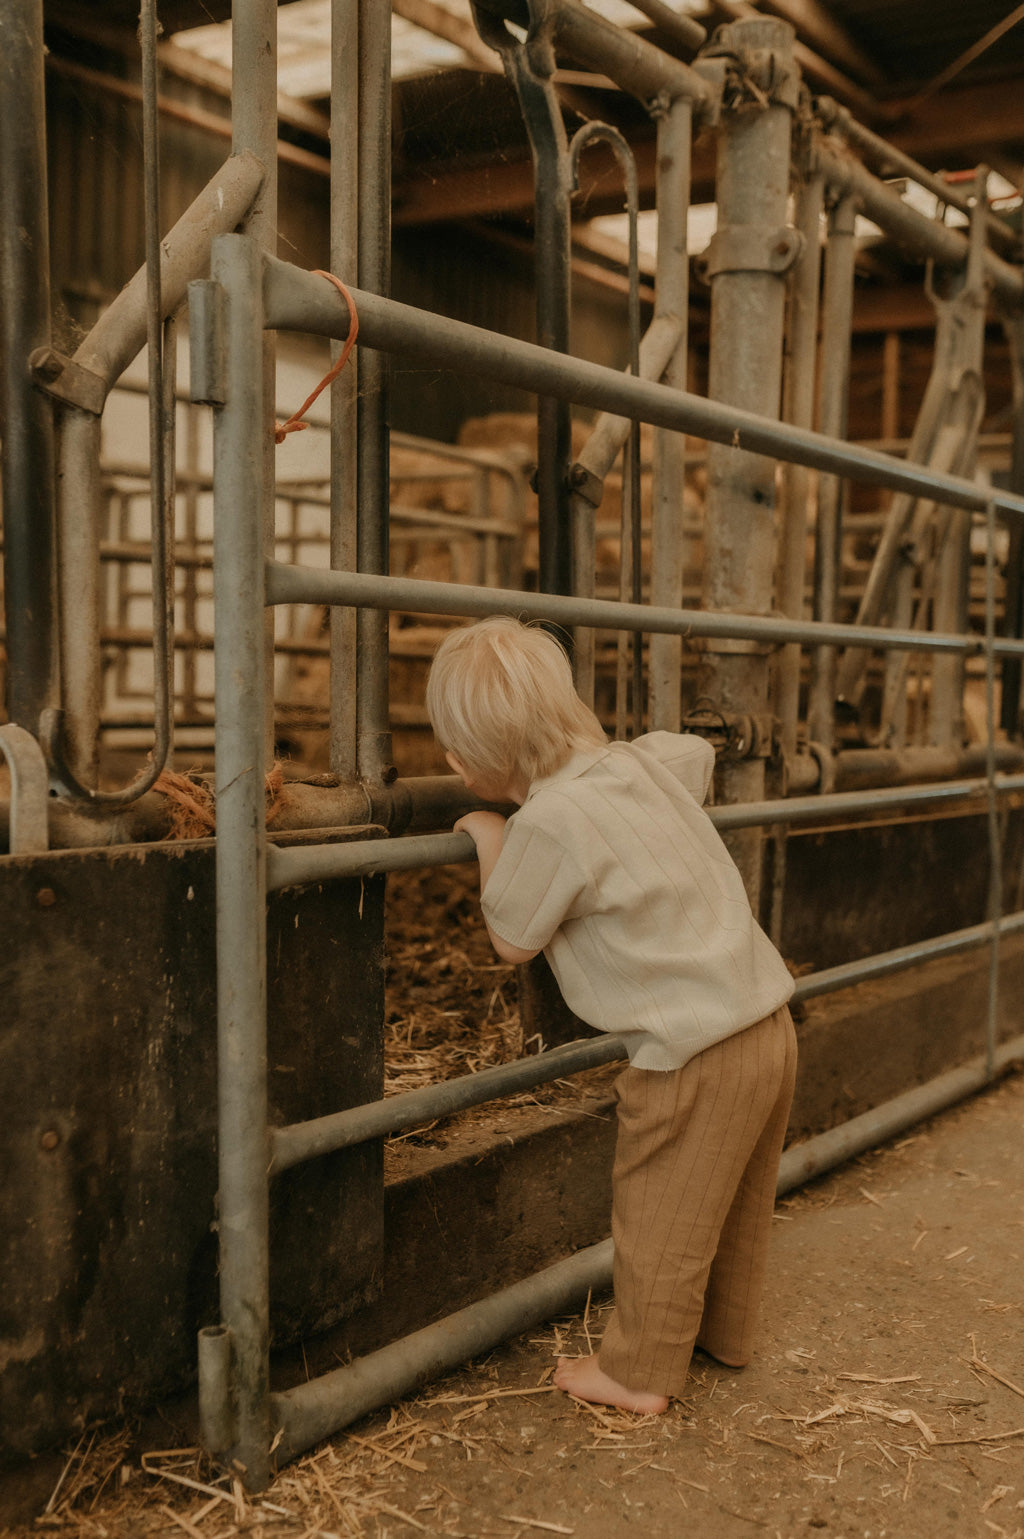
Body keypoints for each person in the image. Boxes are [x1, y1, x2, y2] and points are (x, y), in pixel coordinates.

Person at [426, 616, 797, 1415]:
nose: (451, 763)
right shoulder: (636, 763)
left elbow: (512, 936)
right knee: (732, 1198)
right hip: (767, 1021)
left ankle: (637, 1374)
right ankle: (724, 1334)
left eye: (453, 752)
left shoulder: (550, 823)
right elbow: (692, 753)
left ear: (480, 763)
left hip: (694, 1050)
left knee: (659, 1209)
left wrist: (492, 835)